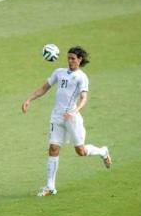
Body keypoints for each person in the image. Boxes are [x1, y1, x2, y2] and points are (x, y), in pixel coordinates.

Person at [22, 46, 112, 196]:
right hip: (57, 116)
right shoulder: (59, 72)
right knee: (53, 148)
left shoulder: (82, 77)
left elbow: (84, 98)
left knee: (81, 151)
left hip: (72, 118)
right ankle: (50, 187)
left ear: (80, 60)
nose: (70, 61)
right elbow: (44, 88)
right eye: (68, 58)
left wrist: (75, 111)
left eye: (73, 58)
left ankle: (103, 151)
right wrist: (29, 99)